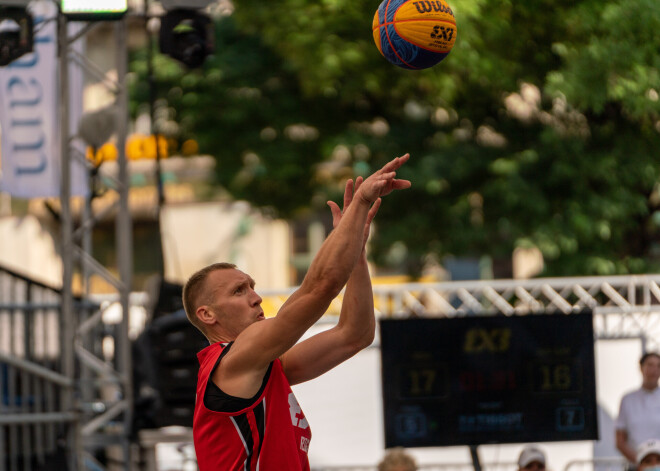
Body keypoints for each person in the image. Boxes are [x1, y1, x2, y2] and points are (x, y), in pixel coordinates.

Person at [182, 154, 411, 470]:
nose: (257, 298)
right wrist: (360, 203)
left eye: (252, 286)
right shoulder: (232, 361)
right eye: (239, 291)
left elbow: (354, 336)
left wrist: (355, 251)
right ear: (208, 315)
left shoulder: (264, 367)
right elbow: (320, 288)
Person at [616, 352, 660, 463]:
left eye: (658, 366)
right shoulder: (627, 400)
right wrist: (641, 462)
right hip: (634, 466)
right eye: (650, 365)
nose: (654, 370)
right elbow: (620, 440)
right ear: (641, 368)